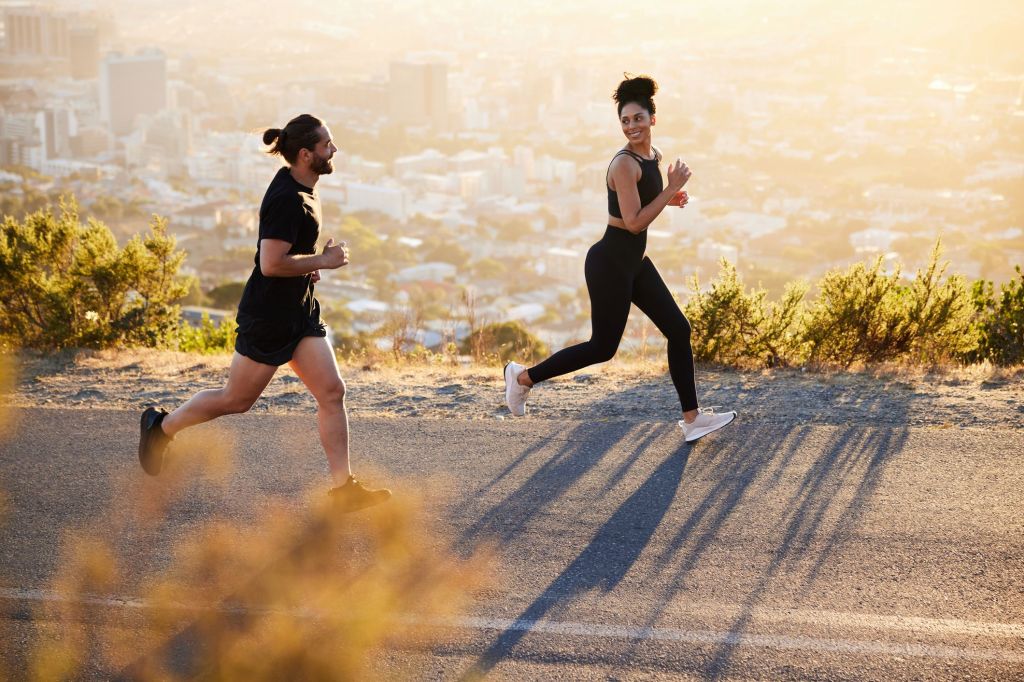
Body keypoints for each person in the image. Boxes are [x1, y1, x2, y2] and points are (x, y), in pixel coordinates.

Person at [138, 114, 391, 511]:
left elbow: (286, 257)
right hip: (269, 318)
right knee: (236, 400)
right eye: (327, 145)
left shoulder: (304, 183)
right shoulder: (287, 199)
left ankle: (343, 489)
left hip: (299, 312)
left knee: (332, 391)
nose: (334, 150)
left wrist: (309, 266)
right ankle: (160, 427)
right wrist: (322, 260)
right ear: (306, 154)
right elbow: (271, 263)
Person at [503, 75, 736, 442]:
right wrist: (671, 189)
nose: (632, 126)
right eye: (625, 121)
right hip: (610, 261)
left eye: (638, 118)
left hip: (633, 262)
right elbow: (633, 222)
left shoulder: (652, 157)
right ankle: (521, 378)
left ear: (652, 119)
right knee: (602, 347)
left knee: (679, 329)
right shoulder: (624, 165)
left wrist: (669, 197)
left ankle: (692, 420)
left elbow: (644, 204)